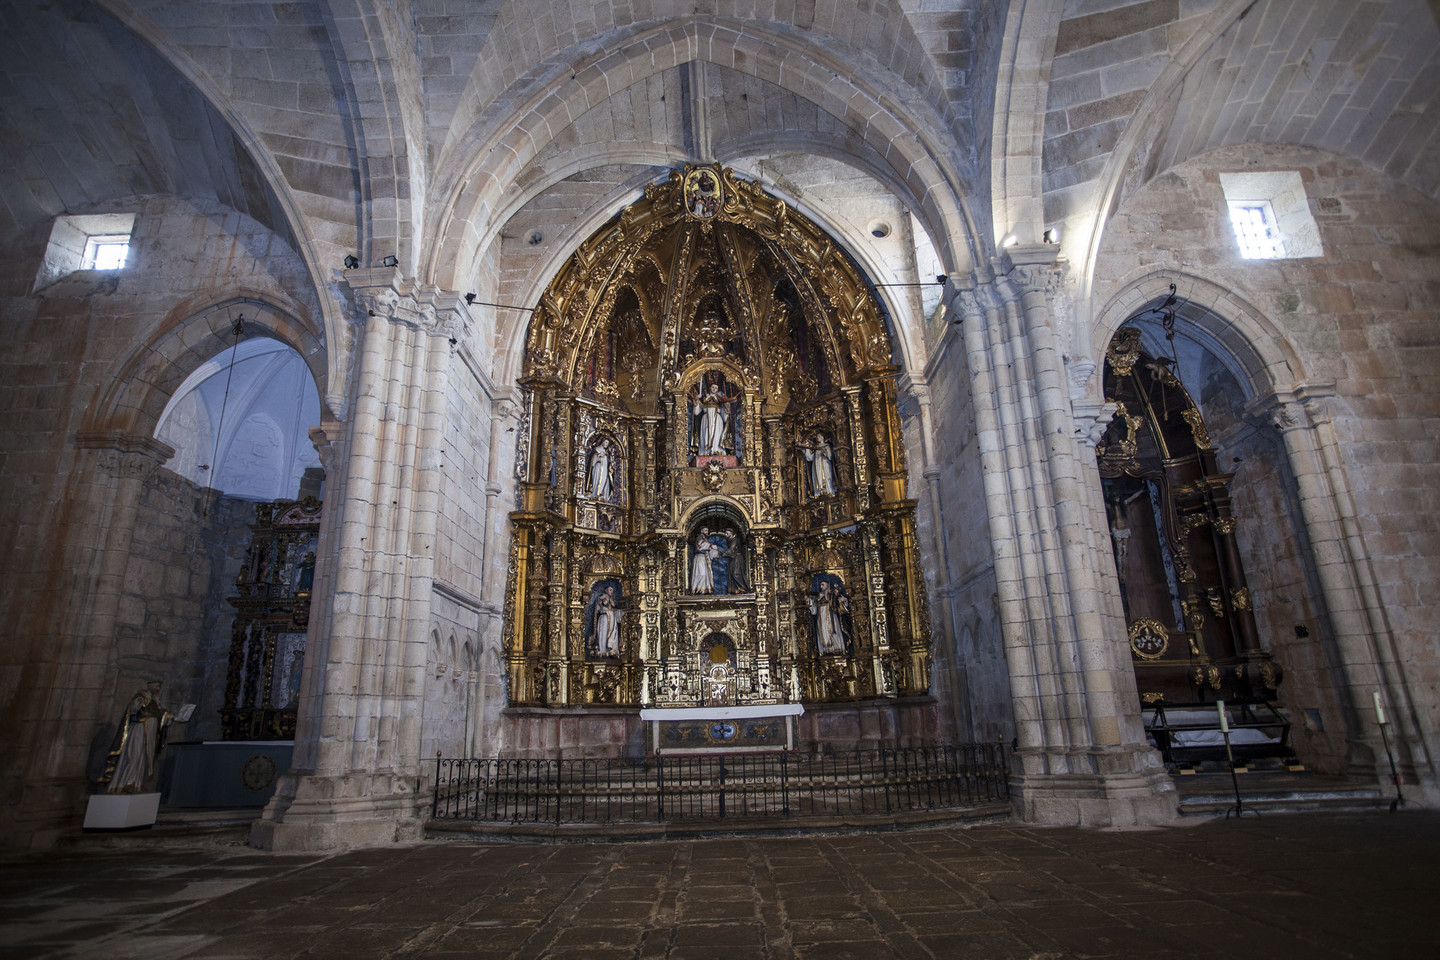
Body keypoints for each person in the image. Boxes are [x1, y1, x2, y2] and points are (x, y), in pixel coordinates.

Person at [103, 681, 173, 794]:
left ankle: (137, 783)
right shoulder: (142, 696)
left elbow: (160, 714)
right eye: (156, 685)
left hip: (151, 731)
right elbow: (133, 710)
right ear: (149, 685)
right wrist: (138, 705)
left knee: (144, 758)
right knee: (134, 755)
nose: (158, 687)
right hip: (139, 729)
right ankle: (127, 782)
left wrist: (169, 717)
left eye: (159, 686)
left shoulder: (156, 700)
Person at [691, 381, 734, 457]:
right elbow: (697, 412)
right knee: (705, 434)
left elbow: (724, 417)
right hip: (706, 419)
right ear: (709, 388)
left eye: (716, 388)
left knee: (717, 435)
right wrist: (696, 400)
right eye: (712, 387)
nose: (714, 389)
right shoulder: (704, 398)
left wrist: (727, 407)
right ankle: (705, 452)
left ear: (717, 390)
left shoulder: (720, 399)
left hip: (717, 420)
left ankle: (717, 450)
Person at [810, 580, 849, 655]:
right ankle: (825, 651)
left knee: (833, 631)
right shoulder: (819, 597)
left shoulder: (832, 595)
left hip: (831, 617)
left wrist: (844, 600)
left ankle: (837, 649)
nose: (821, 587)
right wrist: (809, 601)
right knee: (822, 631)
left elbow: (841, 603)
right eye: (820, 585)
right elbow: (813, 610)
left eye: (822, 585)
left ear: (827, 585)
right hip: (821, 618)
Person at [590, 584, 623, 656]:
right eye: (610, 590)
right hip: (604, 618)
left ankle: (612, 651)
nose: (612, 592)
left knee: (614, 633)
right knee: (603, 634)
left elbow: (615, 608)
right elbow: (600, 608)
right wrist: (605, 600)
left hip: (612, 619)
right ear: (606, 590)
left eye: (612, 591)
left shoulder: (612, 600)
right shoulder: (601, 598)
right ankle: (602, 651)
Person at [801, 431, 835, 497]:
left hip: (825, 465)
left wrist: (824, 452)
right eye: (817, 436)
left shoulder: (826, 446)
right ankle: (818, 494)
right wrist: (806, 449)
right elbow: (810, 458)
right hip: (816, 466)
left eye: (819, 436)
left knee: (827, 477)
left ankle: (829, 492)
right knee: (817, 478)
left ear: (823, 437)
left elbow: (830, 456)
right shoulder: (815, 448)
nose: (818, 438)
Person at [690, 527, 723, 594]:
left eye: (707, 530)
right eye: (705, 530)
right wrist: (711, 546)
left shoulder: (705, 539)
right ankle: (698, 589)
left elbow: (708, 549)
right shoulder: (699, 538)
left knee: (705, 574)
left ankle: (705, 589)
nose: (707, 532)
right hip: (700, 558)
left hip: (704, 558)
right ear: (701, 531)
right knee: (701, 574)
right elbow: (700, 546)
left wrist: (716, 553)